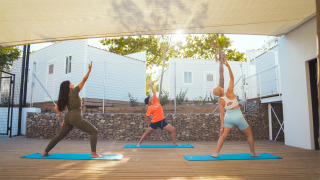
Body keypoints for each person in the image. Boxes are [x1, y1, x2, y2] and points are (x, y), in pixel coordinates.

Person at [42, 61, 102, 158]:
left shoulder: (65, 96)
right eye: (70, 83)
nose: (72, 84)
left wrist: (64, 119)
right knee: (94, 131)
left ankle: (45, 152)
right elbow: (84, 80)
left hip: (68, 117)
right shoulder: (74, 92)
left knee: (59, 136)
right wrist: (89, 70)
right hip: (75, 117)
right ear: (68, 87)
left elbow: (56, 108)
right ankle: (93, 153)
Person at [211, 60, 259, 158]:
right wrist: (228, 66)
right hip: (237, 116)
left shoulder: (220, 101)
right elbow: (232, 78)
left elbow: (222, 114)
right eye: (219, 87)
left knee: (223, 136)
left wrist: (221, 127)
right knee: (249, 135)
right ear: (220, 90)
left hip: (229, 117)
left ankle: (216, 154)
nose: (220, 87)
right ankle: (253, 153)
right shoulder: (229, 92)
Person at [137, 81, 180, 147]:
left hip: (162, 121)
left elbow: (154, 92)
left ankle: (174, 143)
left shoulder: (156, 101)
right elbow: (147, 116)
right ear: (149, 101)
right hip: (154, 122)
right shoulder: (150, 108)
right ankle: (139, 143)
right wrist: (148, 125)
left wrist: (151, 85)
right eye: (150, 98)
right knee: (147, 133)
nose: (151, 98)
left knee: (173, 129)